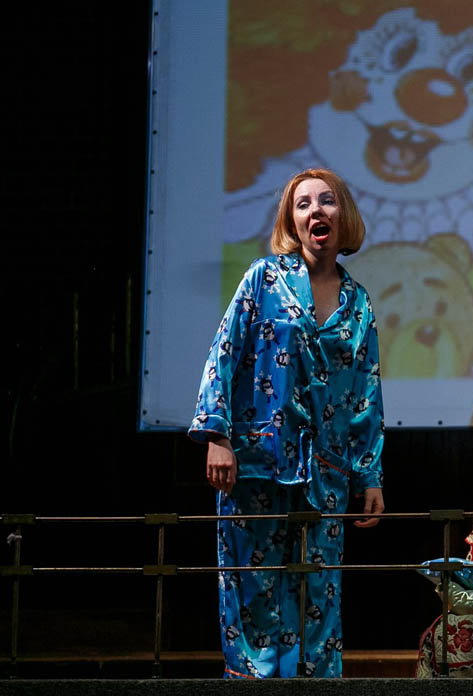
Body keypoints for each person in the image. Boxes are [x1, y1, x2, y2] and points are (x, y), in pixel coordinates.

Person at [189, 168, 386, 678]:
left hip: (326, 472)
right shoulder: (264, 278)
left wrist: (369, 475)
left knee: (319, 594)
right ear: (292, 222)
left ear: (343, 215)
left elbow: (366, 392)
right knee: (255, 594)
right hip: (256, 464)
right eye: (303, 204)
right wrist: (216, 435)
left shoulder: (358, 302)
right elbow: (223, 354)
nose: (316, 210)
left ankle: (316, 687)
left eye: (327, 201)